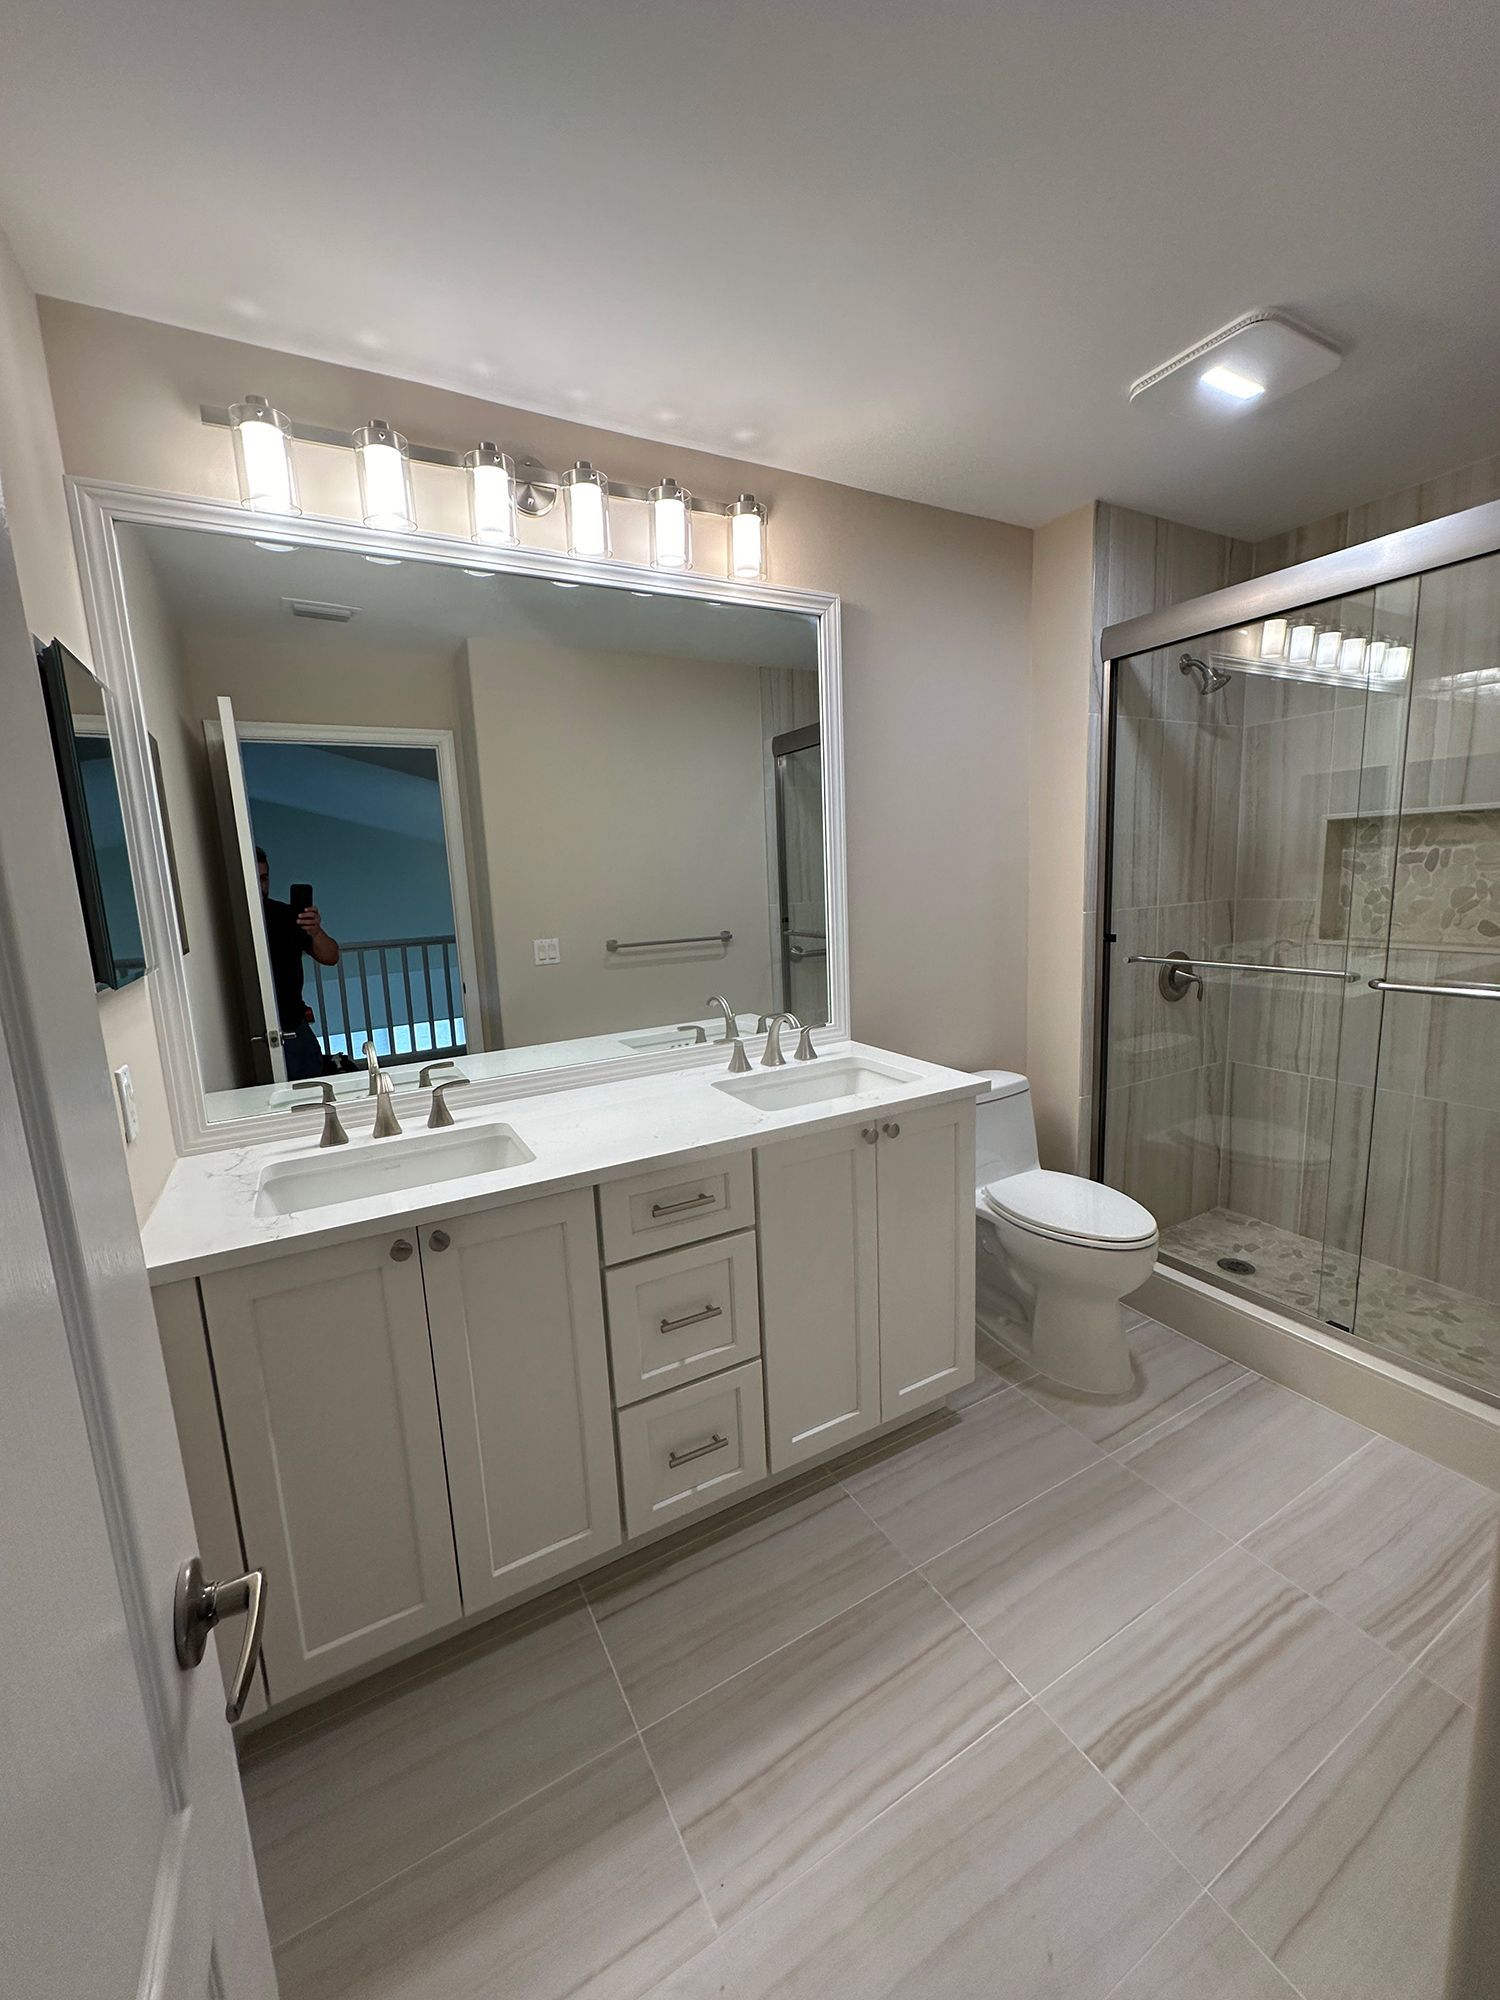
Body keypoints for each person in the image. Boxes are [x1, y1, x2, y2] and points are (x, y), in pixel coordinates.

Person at [255, 848, 340, 1080]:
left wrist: (316, 931)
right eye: (255, 877)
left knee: (313, 1095)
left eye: (264, 878)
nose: (261, 886)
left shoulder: (285, 915)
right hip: (253, 1034)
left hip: (294, 1025)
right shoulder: (229, 920)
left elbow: (330, 956)